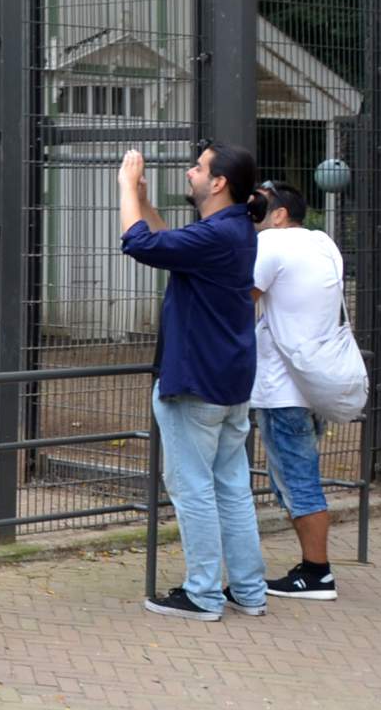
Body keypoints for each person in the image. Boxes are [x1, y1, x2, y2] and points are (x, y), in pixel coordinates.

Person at [119, 142, 268, 622]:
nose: (190, 173)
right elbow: (169, 243)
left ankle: (203, 594)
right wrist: (143, 201)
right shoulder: (231, 229)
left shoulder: (220, 234)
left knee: (194, 488)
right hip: (229, 380)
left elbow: (139, 244)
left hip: (196, 381)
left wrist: (125, 188)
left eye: (198, 168)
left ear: (219, 182)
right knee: (231, 486)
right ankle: (248, 590)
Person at [251, 180, 347, 601]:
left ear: (280, 215)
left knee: (298, 481)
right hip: (315, 382)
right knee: (296, 477)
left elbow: (241, 297)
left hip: (282, 387)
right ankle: (313, 569)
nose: (252, 213)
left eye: (261, 206)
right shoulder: (323, 243)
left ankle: (317, 573)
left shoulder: (272, 244)